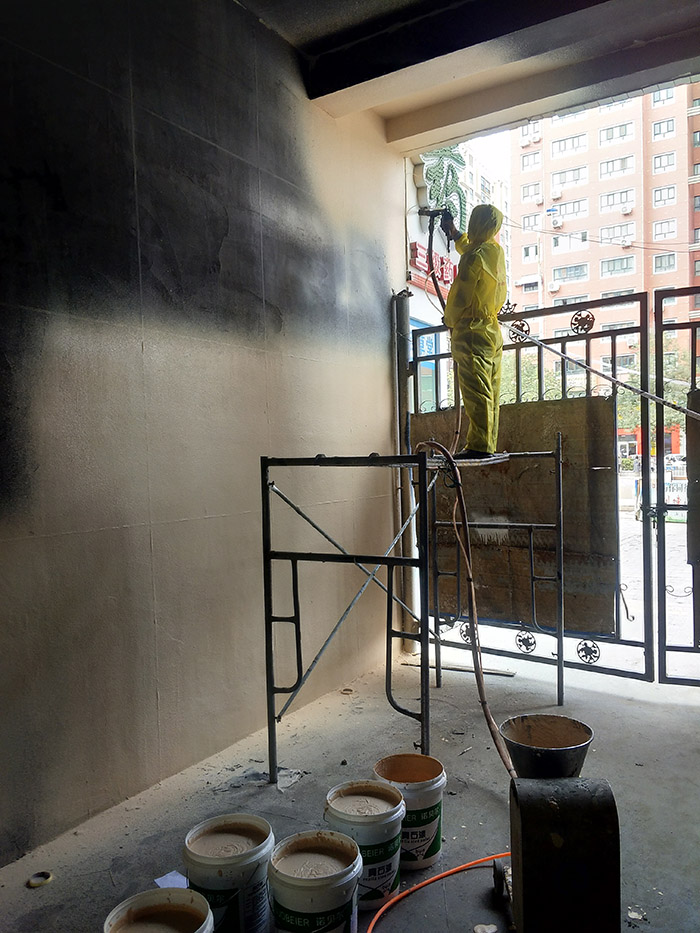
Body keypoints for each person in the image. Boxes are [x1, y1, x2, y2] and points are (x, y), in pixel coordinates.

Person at [443, 204, 507, 459]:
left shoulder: (473, 257)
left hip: (471, 330)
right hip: (492, 330)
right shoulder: (495, 251)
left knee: (476, 390)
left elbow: (461, 296)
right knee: (490, 389)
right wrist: (455, 234)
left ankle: (479, 447)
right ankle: (488, 444)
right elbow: (473, 249)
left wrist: (449, 320)